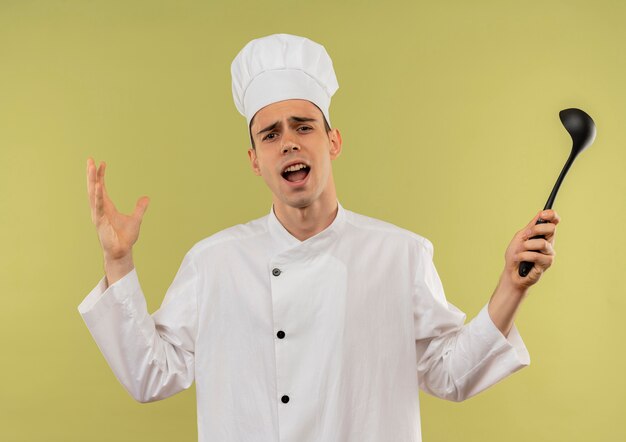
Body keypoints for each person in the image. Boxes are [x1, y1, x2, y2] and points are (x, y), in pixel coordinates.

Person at [79, 34, 560, 442]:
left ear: (332, 141)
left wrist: (510, 287)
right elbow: (150, 375)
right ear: (254, 160)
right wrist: (118, 260)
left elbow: (450, 374)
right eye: (270, 134)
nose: (288, 141)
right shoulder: (213, 263)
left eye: (303, 126)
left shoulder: (400, 254)